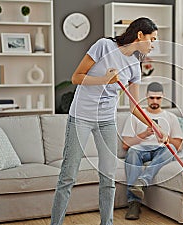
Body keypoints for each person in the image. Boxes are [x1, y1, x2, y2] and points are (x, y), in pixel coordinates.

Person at [50, 18, 162, 225]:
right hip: (81, 117)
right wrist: (105, 80)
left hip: (106, 122)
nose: (153, 45)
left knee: (108, 177)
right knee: (68, 175)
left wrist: (152, 124)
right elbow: (76, 77)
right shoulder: (104, 46)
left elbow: (134, 106)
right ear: (139, 36)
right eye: (152, 39)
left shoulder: (135, 66)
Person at [121, 82, 183, 220]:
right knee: (132, 152)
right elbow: (125, 145)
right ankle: (134, 204)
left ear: (163, 98)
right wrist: (144, 134)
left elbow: (178, 146)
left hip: (161, 150)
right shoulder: (135, 116)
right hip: (140, 149)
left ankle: (142, 182)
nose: (155, 101)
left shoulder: (170, 117)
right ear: (146, 97)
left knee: (171, 149)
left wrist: (166, 138)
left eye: (158, 98)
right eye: (151, 98)